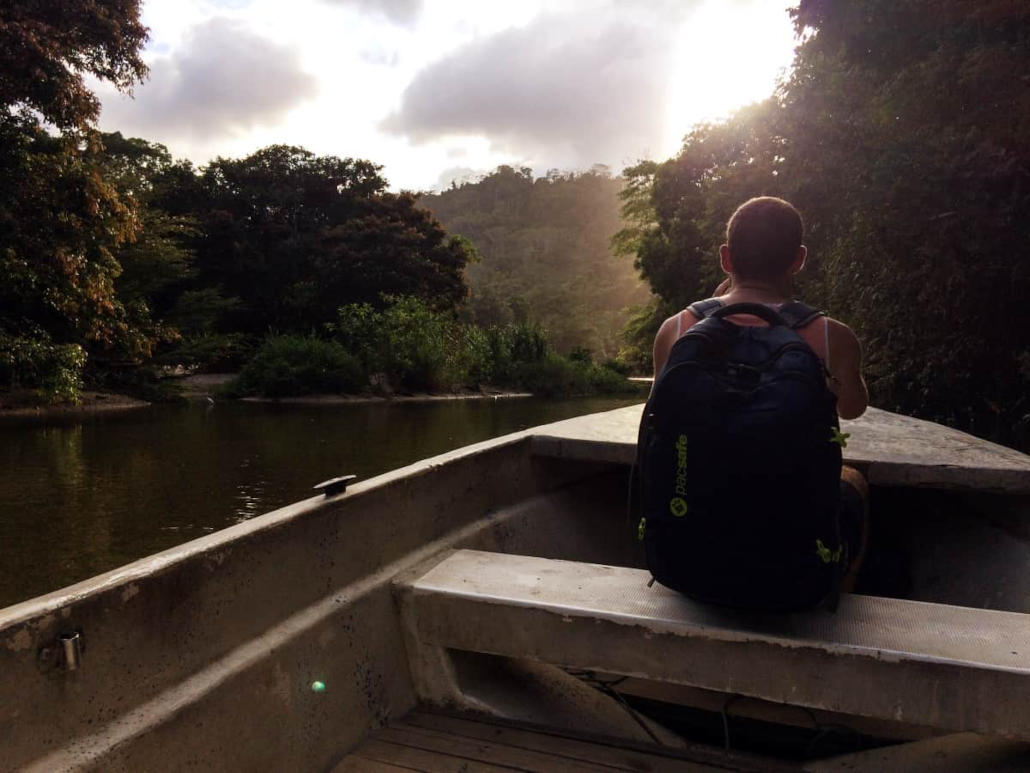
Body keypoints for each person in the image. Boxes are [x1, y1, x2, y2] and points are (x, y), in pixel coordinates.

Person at [650, 196, 870, 594]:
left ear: (725, 258)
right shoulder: (831, 336)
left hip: (684, 567)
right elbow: (853, 409)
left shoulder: (677, 329)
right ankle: (834, 595)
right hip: (791, 580)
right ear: (798, 259)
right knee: (854, 479)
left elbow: (655, 419)